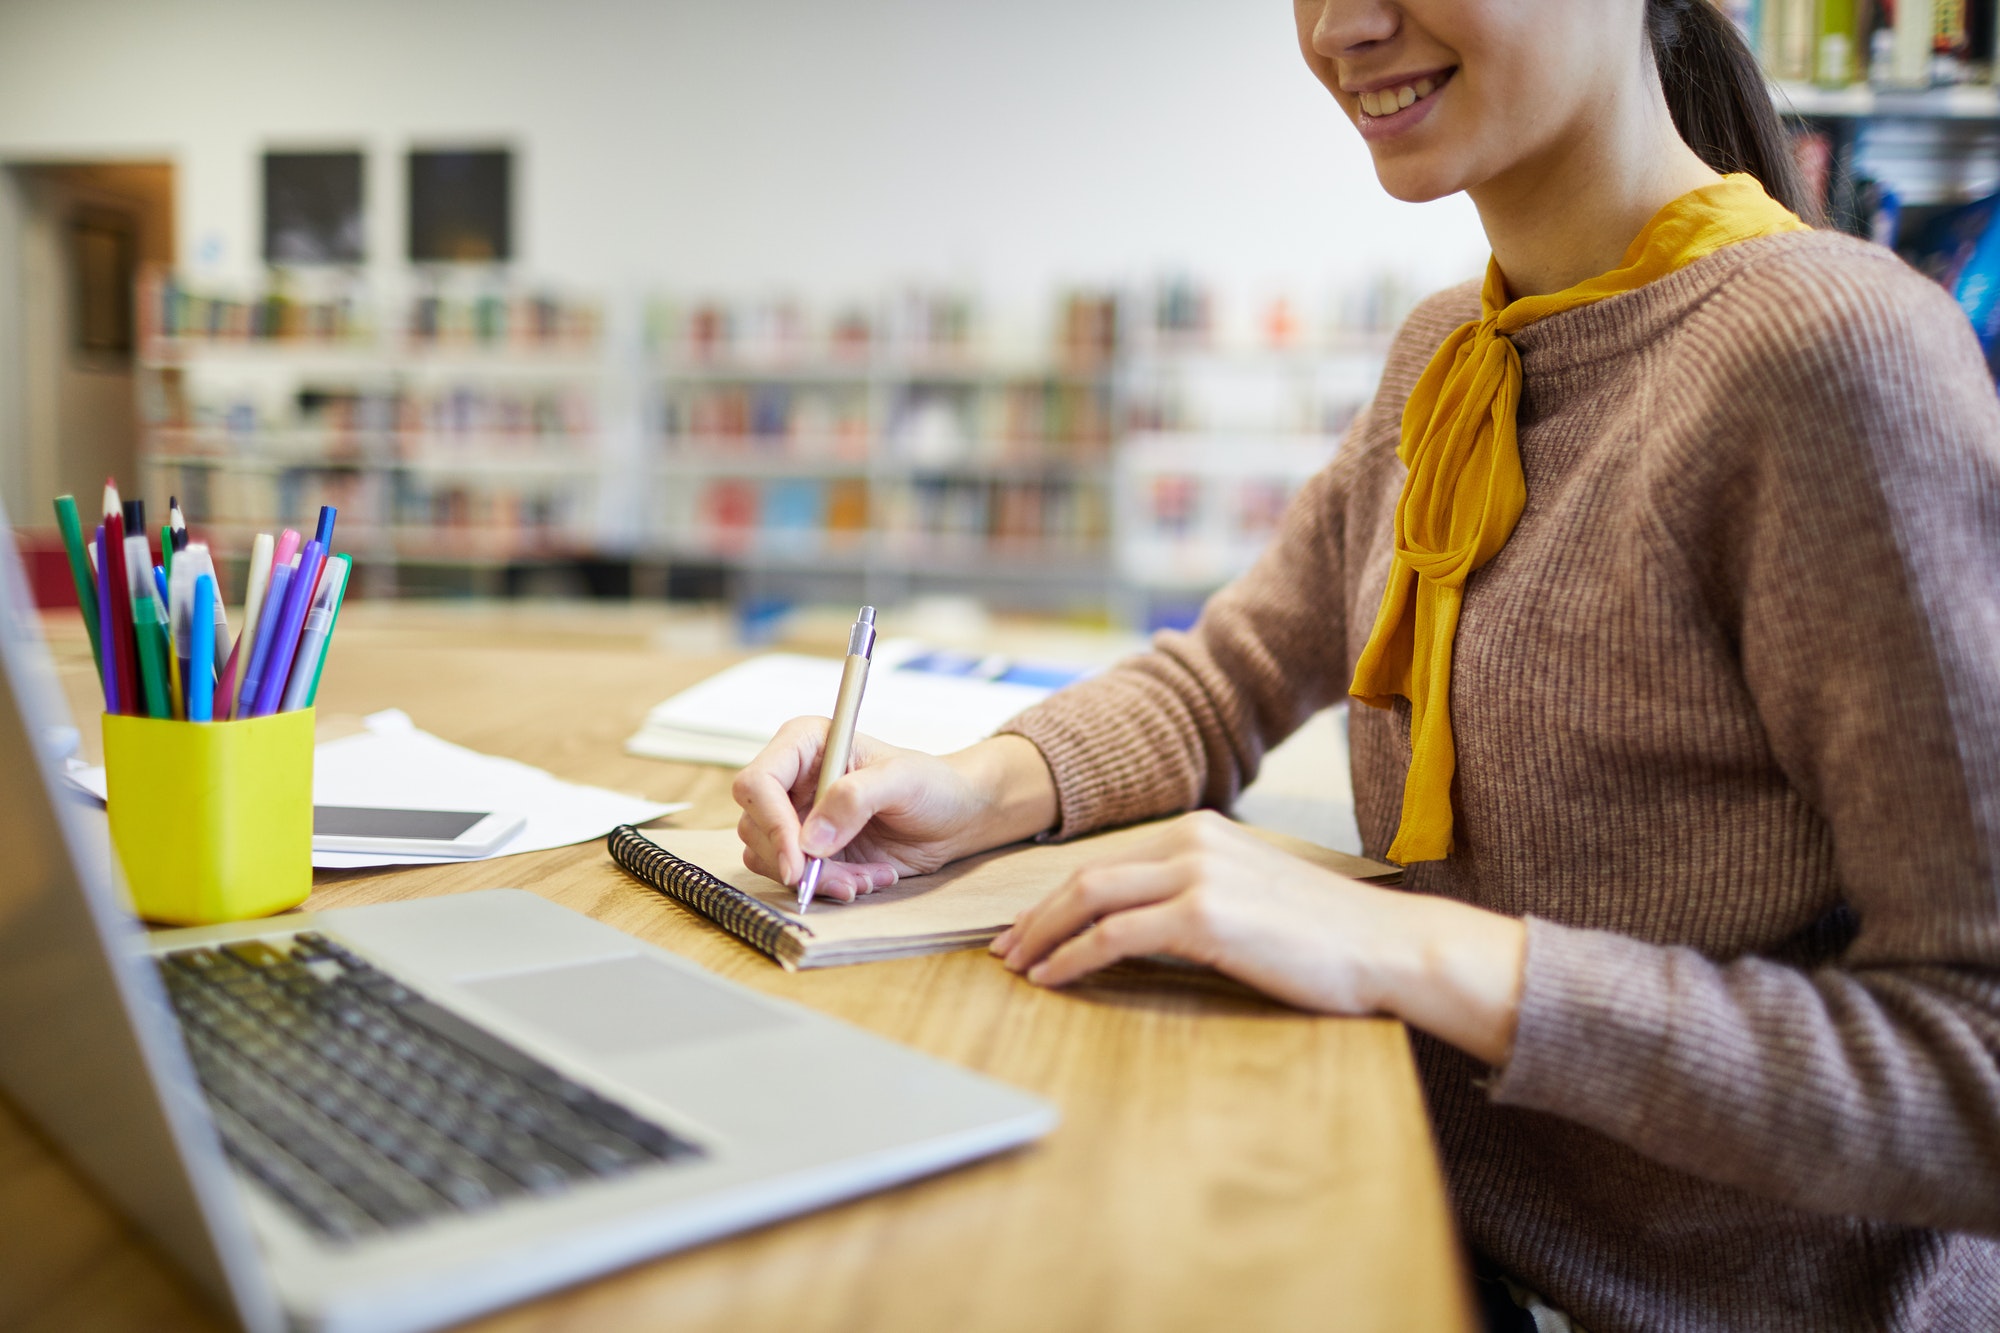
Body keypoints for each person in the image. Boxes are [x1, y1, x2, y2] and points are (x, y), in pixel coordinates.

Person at [733, 1, 2000, 1328]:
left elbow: (1975, 1068)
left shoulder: (1833, 359)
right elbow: (1228, 674)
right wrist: (971, 787)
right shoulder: (1452, 355)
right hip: (1425, 1218)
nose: (1342, 24)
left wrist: (1415, 948)